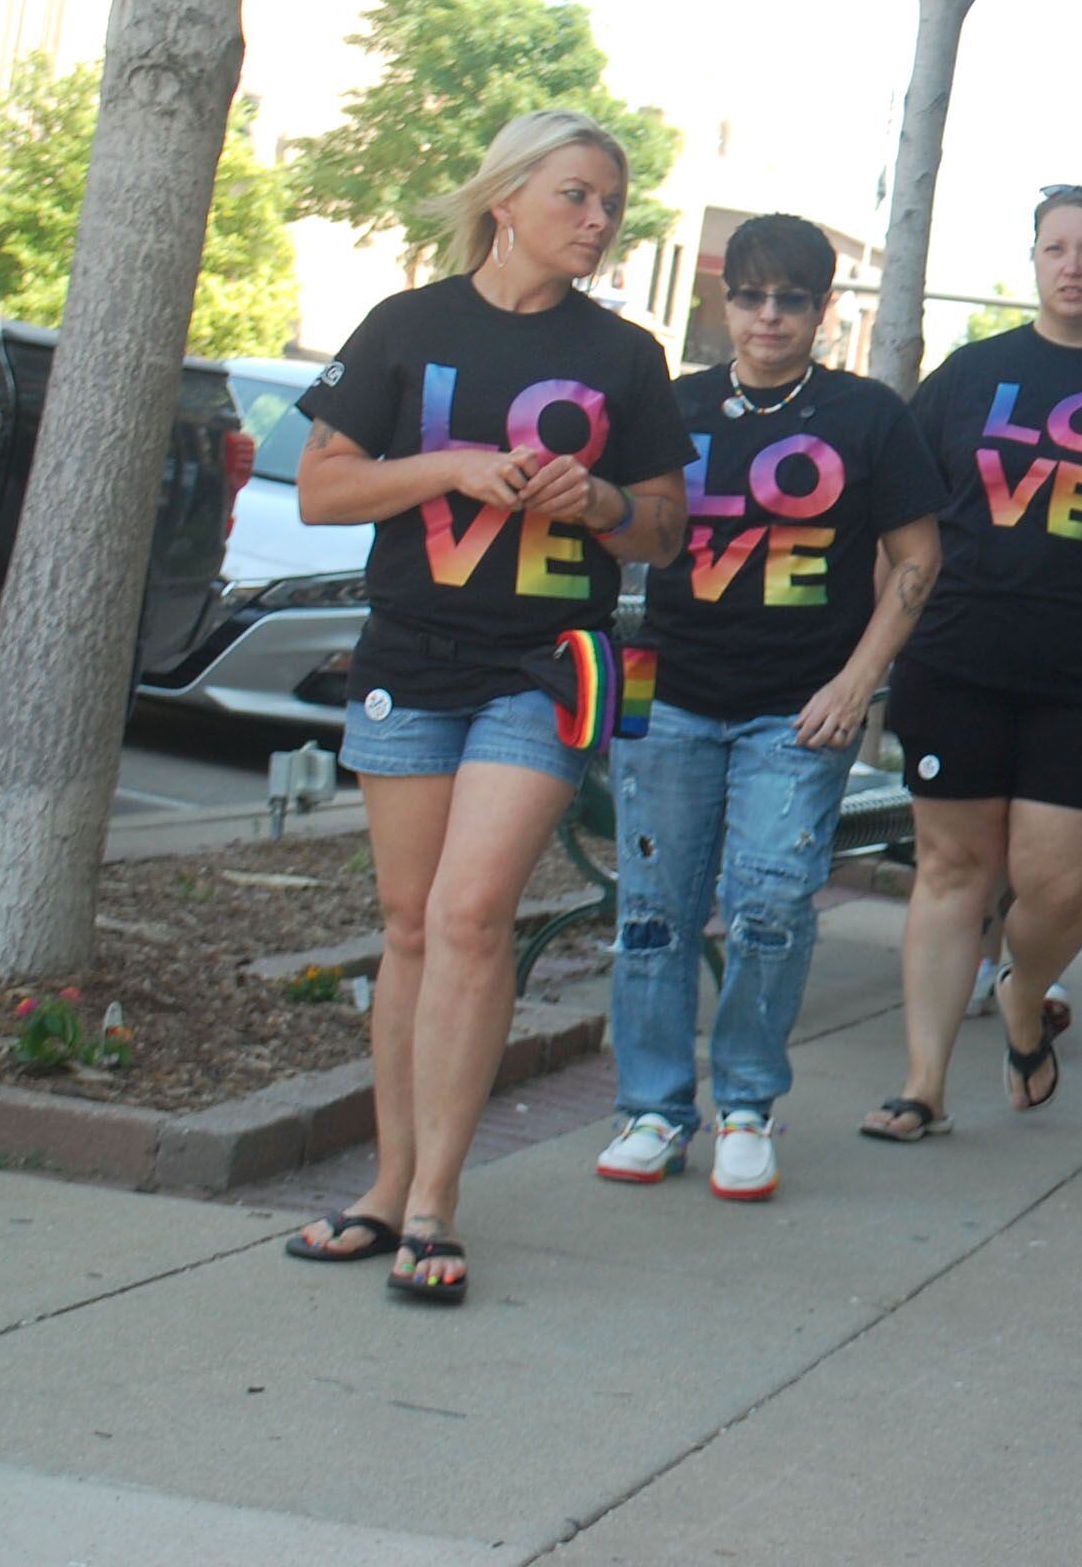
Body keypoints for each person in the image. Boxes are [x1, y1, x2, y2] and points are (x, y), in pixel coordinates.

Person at [282, 110, 693, 1304]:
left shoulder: (625, 353)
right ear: (505, 197)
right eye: (576, 195)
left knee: (470, 915)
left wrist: (604, 500)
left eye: (611, 202)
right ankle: (381, 1187)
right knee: (409, 923)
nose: (599, 220)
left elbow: (665, 525)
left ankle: (433, 1202)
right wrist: (454, 467)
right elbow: (322, 489)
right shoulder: (407, 326)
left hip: (546, 662)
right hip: (409, 652)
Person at [594, 215, 944, 1200]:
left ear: (822, 309)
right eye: (751, 295)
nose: (769, 316)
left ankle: (746, 1103)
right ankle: (653, 1110)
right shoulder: (671, 407)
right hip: (668, 699)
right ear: (725, 301)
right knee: (654, 914)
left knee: (771, 909)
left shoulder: (869, 416)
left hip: (797, 710)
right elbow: (621, 531)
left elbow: (919, 557)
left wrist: (855, 680)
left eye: (792, 298)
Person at [862, 188, 1082, 1139]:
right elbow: (905, 523)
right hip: (956, 659)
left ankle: (1025, 990)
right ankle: (923, 1084)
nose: (1072, 265)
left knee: (1058, 884)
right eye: (1055, 247)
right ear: (1033, 257)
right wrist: (874, 647)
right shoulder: (970, 375)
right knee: (951, 868)